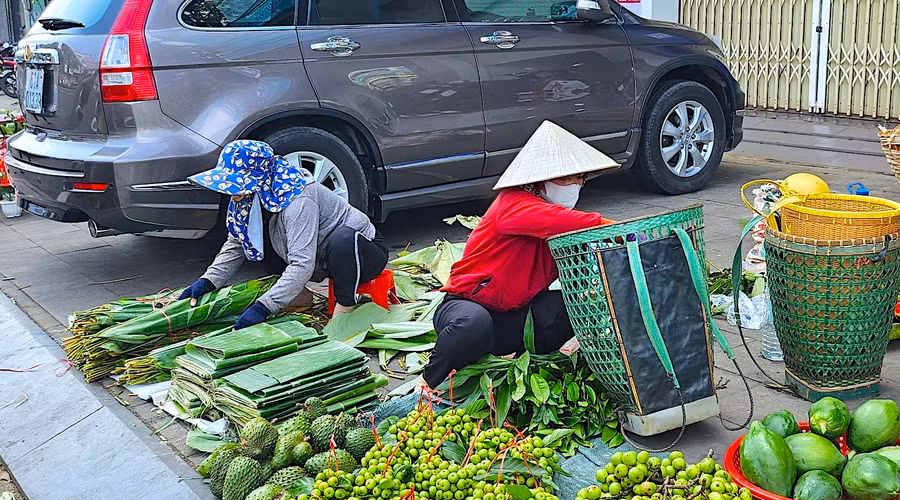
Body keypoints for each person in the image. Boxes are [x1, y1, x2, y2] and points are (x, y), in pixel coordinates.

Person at [417, 121, 619, 390]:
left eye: (580, 178)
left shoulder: (558, 218)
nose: (575, 184)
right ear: (541, 179)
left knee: (571, 307)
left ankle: (523, 365)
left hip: (512, 318)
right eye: (566, 177)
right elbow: (586, 225)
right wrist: (633, 232)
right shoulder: (513, 204)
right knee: (473, 325)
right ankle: (427, 383)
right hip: (465, 308)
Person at [180, 140, 388, 329]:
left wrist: (263, 307)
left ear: (258, 178)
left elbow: (301, 264)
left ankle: (345, 306)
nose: (232, 192)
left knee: (342, 240)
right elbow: (237, 243)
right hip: (319, 256)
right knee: (260, 239)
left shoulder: (299, 199)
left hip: (361, 254)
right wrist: (208, 281)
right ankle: (300, 296)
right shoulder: (247, 196)